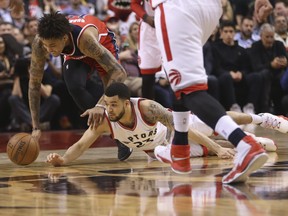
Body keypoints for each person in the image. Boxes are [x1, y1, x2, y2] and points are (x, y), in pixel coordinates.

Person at [151, 0, 273, 184]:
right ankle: (180, 149)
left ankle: (245, 144)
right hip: (211, 8)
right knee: (180, 79)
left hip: (177, 7)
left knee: (189, 89)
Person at [46, 83, 280, 167]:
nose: (110, 109)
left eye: (114, 105)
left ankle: (260, 118)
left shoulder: (147, 108)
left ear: (128, 104)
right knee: (203, 153)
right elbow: (80, 145)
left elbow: (184, 129)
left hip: (176, 128)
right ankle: (252, 143)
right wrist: (63, 160)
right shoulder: (105, 121)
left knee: (215, 121)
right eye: (107, 104)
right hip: (159, 150)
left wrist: (218, 148)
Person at [28, 12, 130, 161]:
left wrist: (101, 106)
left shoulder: (86, 40)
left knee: (112, 94)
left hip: (101, 45)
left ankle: (128, 130)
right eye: (46, 45)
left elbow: (120, 73)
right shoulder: (40, 43)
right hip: (78, 53)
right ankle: (118, 137)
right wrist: (35, 126)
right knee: (74, 86)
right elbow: (34, 84)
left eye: (52, 45)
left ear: (64, 38)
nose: (48, 50)